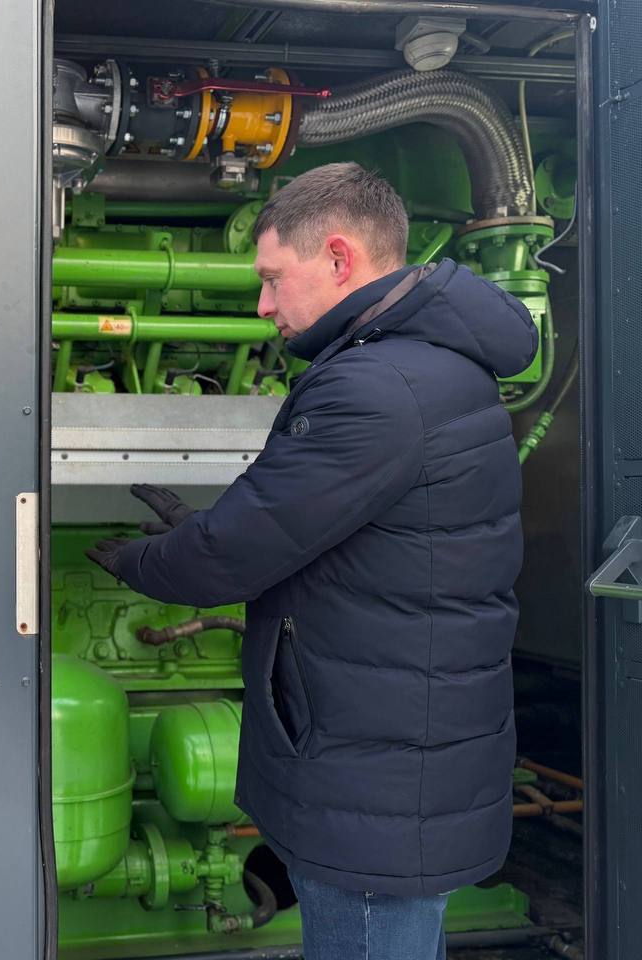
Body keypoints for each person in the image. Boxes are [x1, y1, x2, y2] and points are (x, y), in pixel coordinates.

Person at [86, 162, 538, 960]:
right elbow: (312, 530)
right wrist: (201, 527)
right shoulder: (425, 364)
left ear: (338, 258)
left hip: (371, 782)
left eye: (271, 279)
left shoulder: (378, 386)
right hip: (396, 762)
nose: (263, 306)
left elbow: (230, 555)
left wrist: (144, 561)